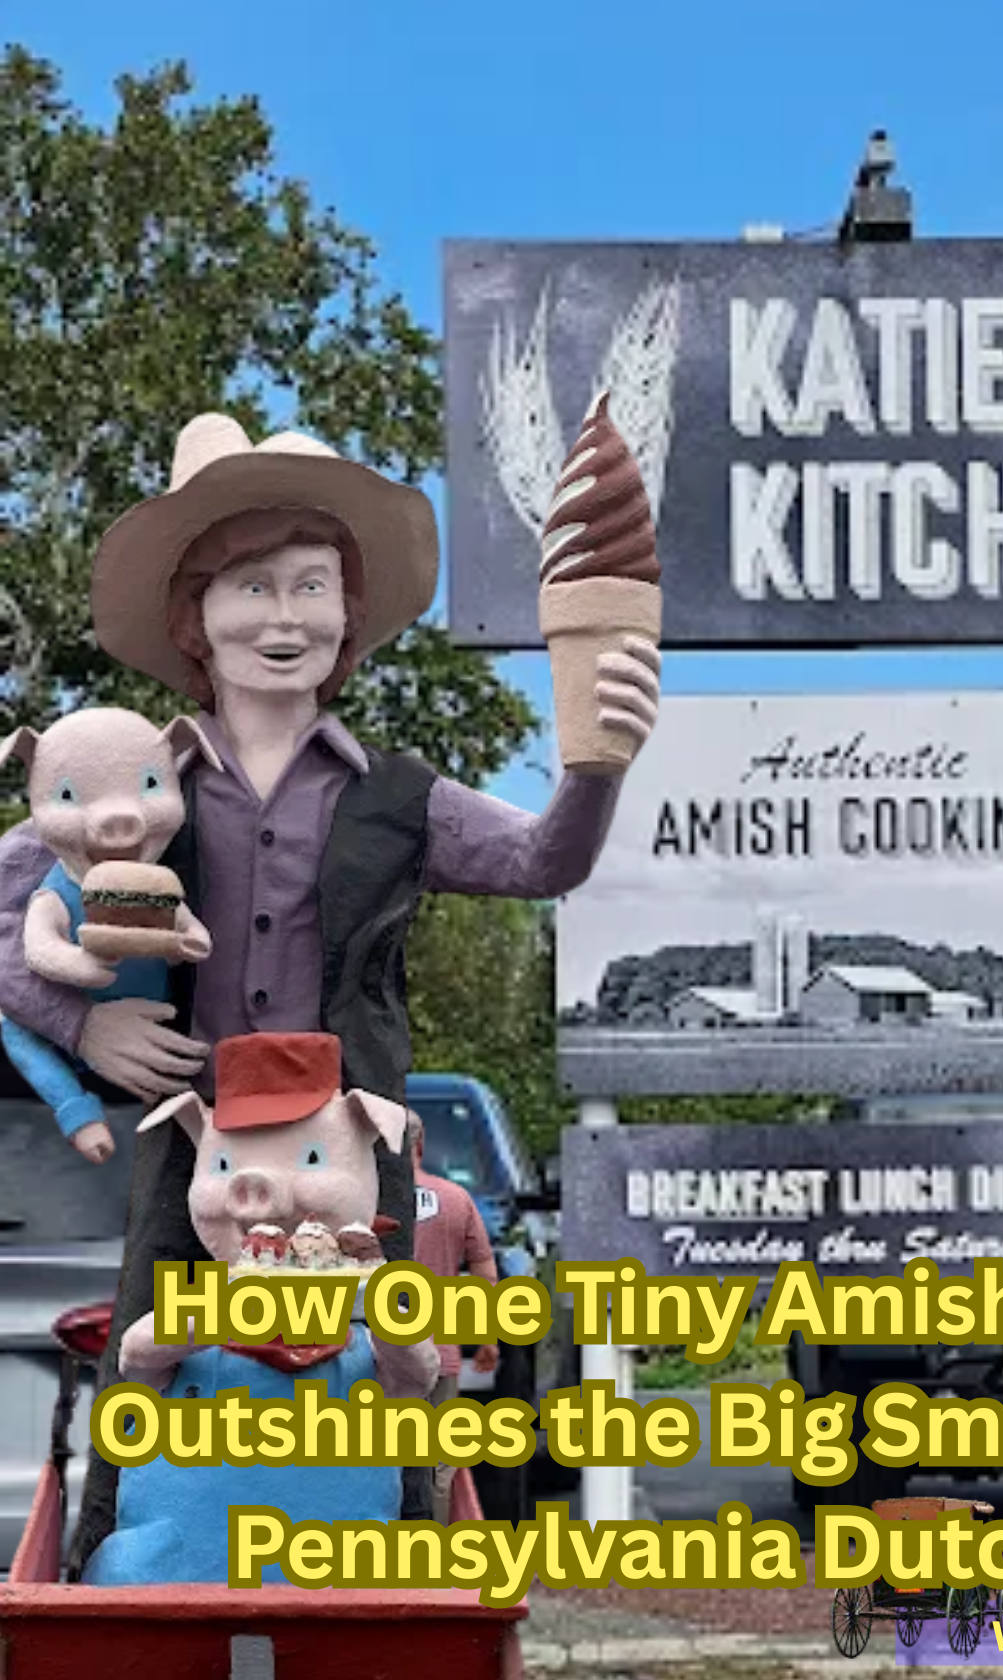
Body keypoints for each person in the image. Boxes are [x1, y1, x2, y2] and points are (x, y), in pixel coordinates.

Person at [0, 411, 661, 1572]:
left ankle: (402, 1601)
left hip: (363, 1139)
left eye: (313, 586)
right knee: (148, 1375)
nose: (285, 617)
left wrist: (595, 767)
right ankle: (111, 1605)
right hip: (189, 1144)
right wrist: (80, 1020)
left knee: (396, 1378)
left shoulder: (402, 795)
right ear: (193, 616)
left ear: (351, 617)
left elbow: (543, 859)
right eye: (252, 585)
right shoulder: (129, 780)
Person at [409, 1110, 500, 1521]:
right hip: (441, 1352)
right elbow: (483, 1267)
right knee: (440, 1463)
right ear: (421, 1145)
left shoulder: (365, 1198)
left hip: (376, 1354)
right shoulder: (455, 1199)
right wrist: (488, 1337)